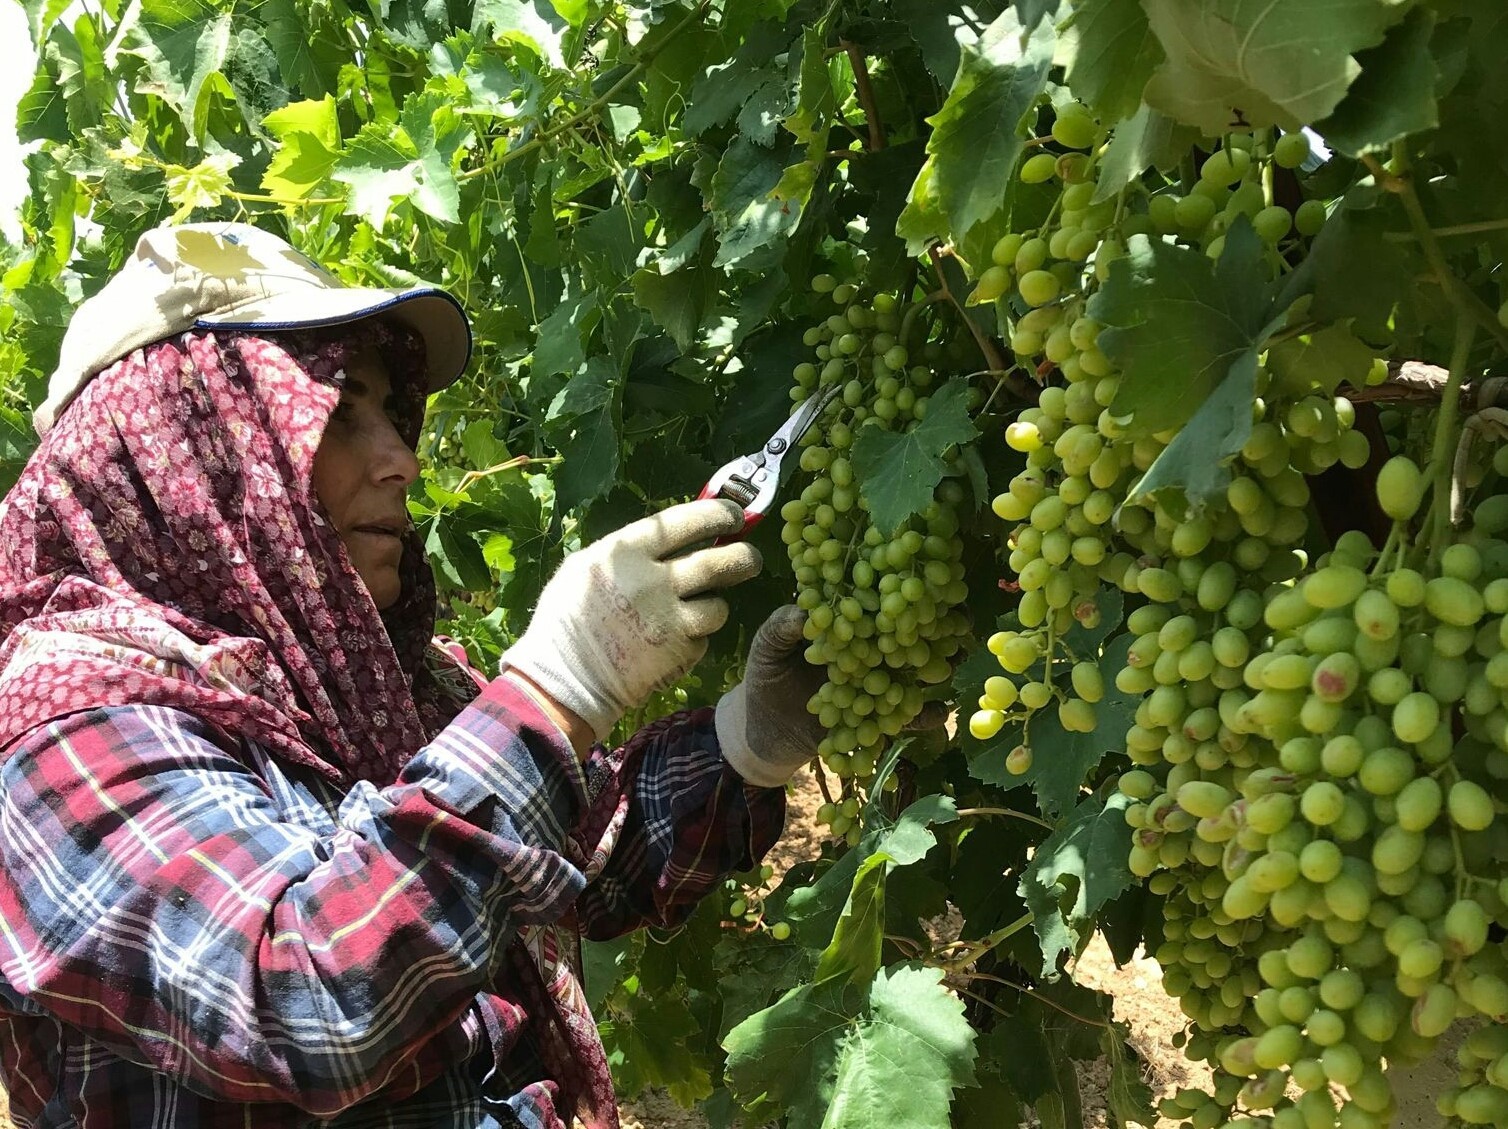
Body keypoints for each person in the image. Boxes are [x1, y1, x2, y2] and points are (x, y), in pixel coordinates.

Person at [0, 222, 826, 1127]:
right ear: (190, 457)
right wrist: (557, 690)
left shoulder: (374, 686)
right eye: (337, 411)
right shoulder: (60, 731)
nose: (403, 460)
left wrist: (748, 741)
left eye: (393, 415)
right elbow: (303, 997)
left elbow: (575, 856)